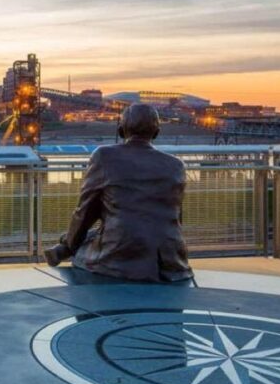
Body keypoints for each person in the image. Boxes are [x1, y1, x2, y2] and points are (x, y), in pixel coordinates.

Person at [44, 103, 193, 282]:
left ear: (121, 130)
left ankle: (63, 249)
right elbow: (175, 218)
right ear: (156, 132)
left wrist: (70, 243)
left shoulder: (104, 156)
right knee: (98, 232)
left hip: (119, 256)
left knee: (85, 242)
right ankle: (65, 245)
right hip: (169, 261)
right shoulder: (177, 166)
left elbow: (84, 213)